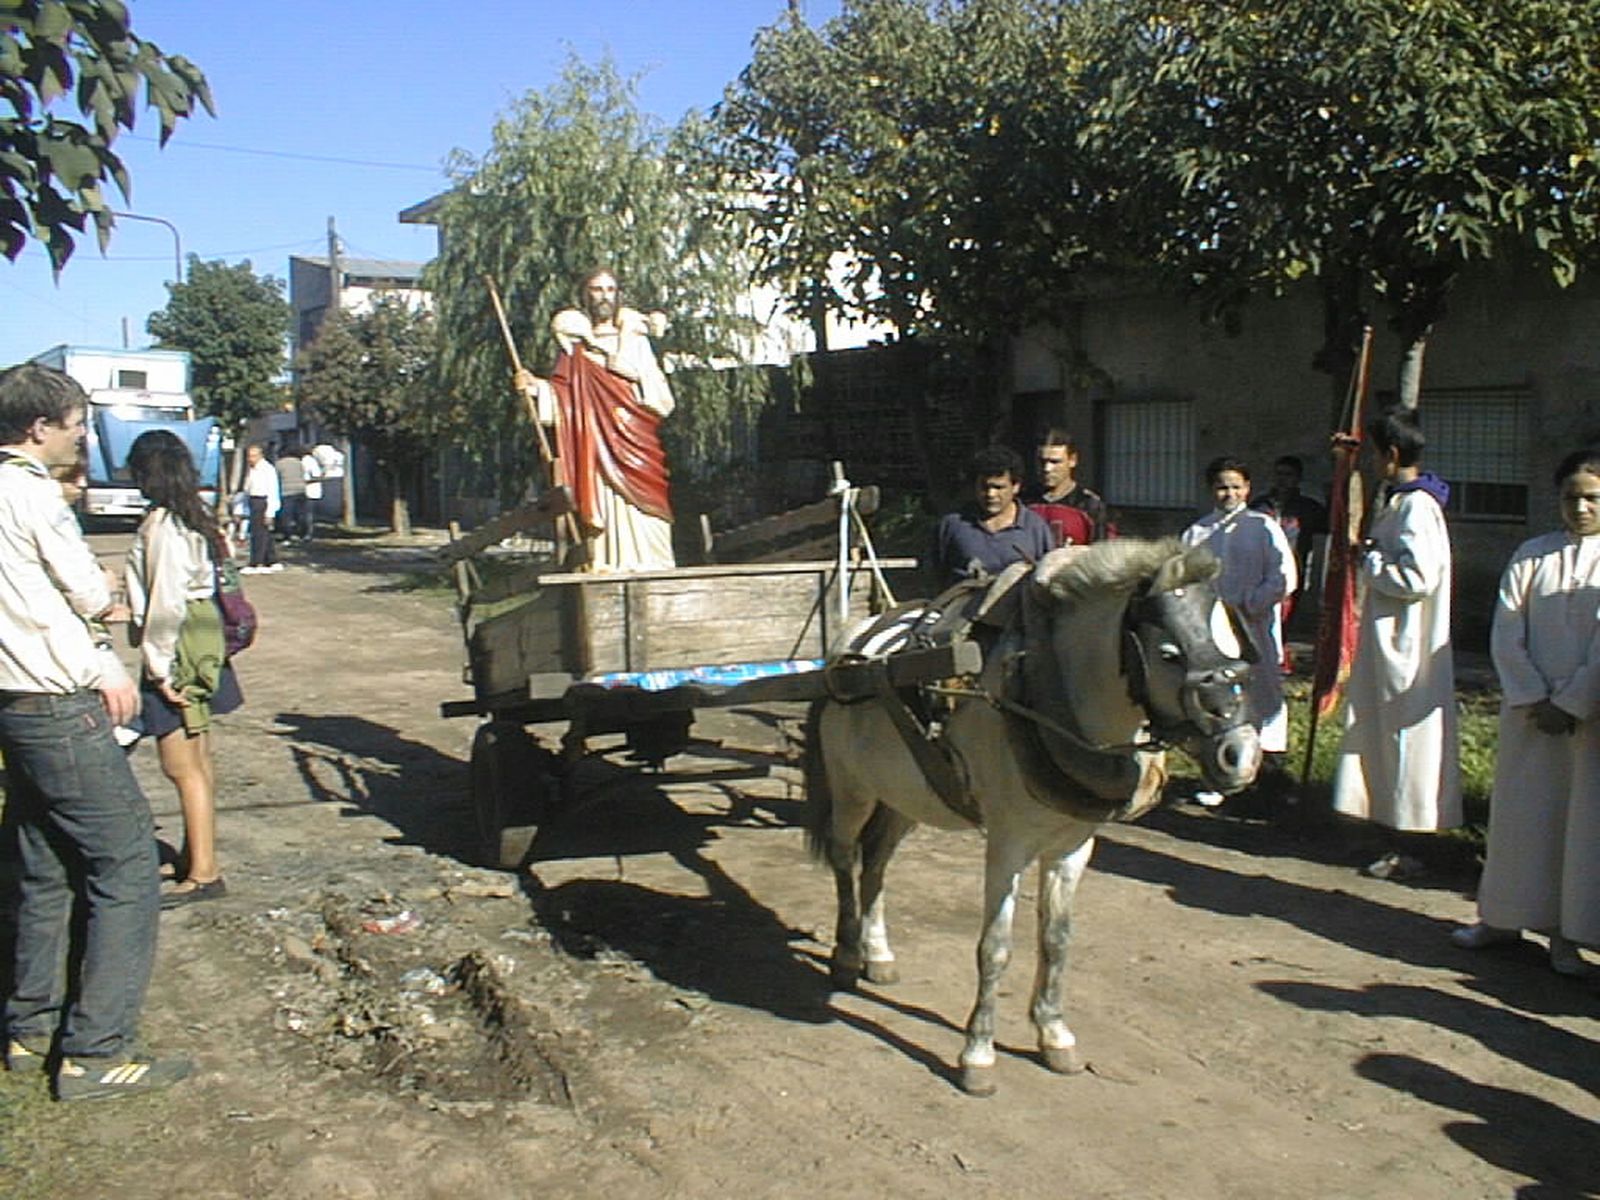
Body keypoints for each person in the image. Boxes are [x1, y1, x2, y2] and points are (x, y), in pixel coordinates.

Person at [0, 363, 191, 1100]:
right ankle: (97, 1049)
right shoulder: (33, 496)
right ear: (38, 427)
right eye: (76, 425)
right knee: (127, 862)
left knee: (45, 858)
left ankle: (29, 1025)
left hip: (11, 702)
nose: (82, 437)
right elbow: (85, 589)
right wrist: (101, 622)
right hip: (57, 699)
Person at [1450, 449, 1600, 976]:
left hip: (1586, 723)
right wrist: (1534, 697)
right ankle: (1502, 917)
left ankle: (1565, 935)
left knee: (1574, 826)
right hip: (1530, 714)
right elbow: (1507, 630)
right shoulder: (1532, 554)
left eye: (1591, 498)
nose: (1580, 508)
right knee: (1519, 819)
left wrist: (1573, 701)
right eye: (1571, 497)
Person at [1330, 407, 1461, 877]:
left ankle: (1411, 842)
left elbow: (1418, 577)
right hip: (1389, 639)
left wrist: (1370, 563)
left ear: (1391, 454)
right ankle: (1385, 830)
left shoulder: (1418, 508)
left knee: (1405, 740)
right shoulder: (1401, 502)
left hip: (1407, 646)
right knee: (1382, 736)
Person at [126, 430, 245, 908]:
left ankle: (204, 872)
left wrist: (159, 670)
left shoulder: (162, 526)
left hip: (178, 645)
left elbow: (165, 604)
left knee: (181, 765)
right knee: (199, 760)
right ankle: (199, 855)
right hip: (201, 637)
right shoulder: (196, 519)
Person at [515, 269, 676, 571]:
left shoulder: (636, 340)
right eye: (597, 289)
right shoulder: (574, 350)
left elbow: (660, 396)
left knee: (651, 507)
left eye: (610, 289)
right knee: (605, 503)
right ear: (585, 296)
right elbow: (564, 397)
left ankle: (654, 566)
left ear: (619, 296)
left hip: (636, 436)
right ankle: (607, 564)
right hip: (597, 445)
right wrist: (536, 388)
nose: (604, 296)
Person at [1181, 457, 1297, 766]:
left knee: (1264, 689)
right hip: (1214, 629)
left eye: (1236, 487)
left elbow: (1284, 577)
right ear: (1211, 490)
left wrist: (1251, 602)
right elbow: (1185, 581)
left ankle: (1271, 763)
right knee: (1223, 694)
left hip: (1255, 625)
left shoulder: (1263, 527)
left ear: (1247, 489)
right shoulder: (1197, 533)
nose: (1229, 494)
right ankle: (1226, 763)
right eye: (1222, 487)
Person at [926, 445, 1055, 588]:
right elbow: (934, 577)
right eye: (984, 487)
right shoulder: (952, 525)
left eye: (998, 487)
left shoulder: (1035, 528)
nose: (990, 494)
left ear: (1016, 486)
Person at [1250, 454, 1329, 670]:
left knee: (1285, 617)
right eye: (1279, 474)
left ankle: (1278, 656)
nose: (1282, 479)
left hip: (1292, 572)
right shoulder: (1259, 506)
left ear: (1298, 478)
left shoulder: (1308, 508)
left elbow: (1330, 525)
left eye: (1288, 475)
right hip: (1259, 570)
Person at [1023, 429, 1108, 543]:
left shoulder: (1089, 505)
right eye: (1042, 461)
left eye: (1055, 462)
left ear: (1072, 460)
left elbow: (1100, 552)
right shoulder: (1023, 501)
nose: (1047, 469)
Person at [241, 443, 281, 574]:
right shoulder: (251, 469)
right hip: (253, 500)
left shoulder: (267, 469)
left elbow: (273, 490)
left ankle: (256, 562)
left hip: (262, 501)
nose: (250, 459)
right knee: (263, 532)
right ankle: (272, 559)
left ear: (260, 455)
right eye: (249, 456)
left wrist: (270, 512)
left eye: (253, 456)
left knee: (259, 533)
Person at [274, 443, 307, 544]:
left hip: (287, 492)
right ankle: (302, 534)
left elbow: (276, 479)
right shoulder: (298, 462)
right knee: (301, 514)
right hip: (301, 490)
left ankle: (288, 536)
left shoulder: (279, 464)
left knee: (286, 516)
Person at [299, 445, 323, 542]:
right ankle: (307, 533)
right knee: (308, 514)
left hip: (309, 491)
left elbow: (315, 476)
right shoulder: (311, 461)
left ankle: (308, 534)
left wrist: (304, 481)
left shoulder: (307, 461)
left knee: (307, 514)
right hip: (312, 491)